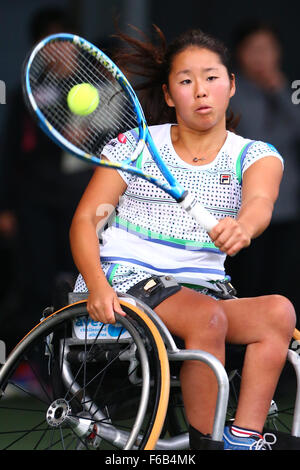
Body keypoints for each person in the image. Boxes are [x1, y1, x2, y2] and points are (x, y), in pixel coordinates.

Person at [69, 27, 296, 450]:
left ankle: (244, 438)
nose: (201, 91)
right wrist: (97, 284)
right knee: (208, 317)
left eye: (211, 77)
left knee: (278, 313)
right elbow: (85, 221)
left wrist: (244, 226)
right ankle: (203, 447)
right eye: (186, 81)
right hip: (124, 278)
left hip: (202, 289)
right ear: (170, 95)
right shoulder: (134, 146)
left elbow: (261, 201)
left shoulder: (255, 154)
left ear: (231, 84)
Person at [0, 7, 93, 350]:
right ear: (38, 47)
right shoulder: (25, 91)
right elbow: (11, 150)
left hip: (78, 201)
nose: (58, 52)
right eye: (49, 44)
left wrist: (88, 134)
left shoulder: (96, 88)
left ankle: (78, 363)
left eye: (64, 44)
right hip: (33, 203)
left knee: (77, 283)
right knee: (35, 284)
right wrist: (7, 206)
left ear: (75, 46)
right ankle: (32, 364)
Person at [226, 20, 300, 315]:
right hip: (244, 206)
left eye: (267, 49)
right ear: (240, 54)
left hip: (287, 207)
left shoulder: (293, 88)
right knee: (248, 283)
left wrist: (280, 90)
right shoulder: (233, 91)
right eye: (253, 50)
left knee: (284, 283)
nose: (261, 57)